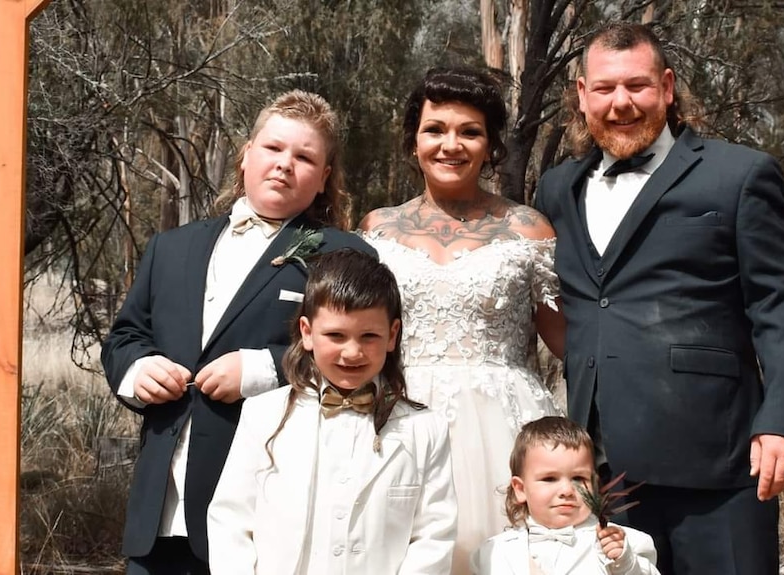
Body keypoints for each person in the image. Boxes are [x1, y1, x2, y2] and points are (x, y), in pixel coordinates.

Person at [534, 21, 784, 575]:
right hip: (603, 471)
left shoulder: (739, 175)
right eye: (607, 89)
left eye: (637, 86)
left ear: (666, 87)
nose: (622, 104)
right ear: (583, 96)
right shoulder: (556, 189)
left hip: (719, 460)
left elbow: (780, 305)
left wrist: (782, 420)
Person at [101, 90, 375, 574]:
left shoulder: (343, 255)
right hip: (158, 512)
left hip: (262, 506)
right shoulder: (171, 248)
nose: (284, 165)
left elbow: (356, 354)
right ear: (247, 154)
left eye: (304, 157)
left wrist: (261, 368)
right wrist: (137, 370)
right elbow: (125, 337)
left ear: (324, 178)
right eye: (272, 149)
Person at [358, 66, 567, 573]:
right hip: (400, 422)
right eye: (435, 130)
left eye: (469, 131)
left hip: (507, 429)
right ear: (413, 143)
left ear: (491, 145)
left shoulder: (528, 229)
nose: (451, 145)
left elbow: (571, 342)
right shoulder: (376, 229)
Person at [206, 248, 457, 574]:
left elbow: (434, 535)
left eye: (369, 336)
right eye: (335, 335)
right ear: (307, 333)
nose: (352, 352)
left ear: (392, 335)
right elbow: (231, 519)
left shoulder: (425, 428)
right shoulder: (263, 415)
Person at [471, 416, 660, 575]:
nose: (567, 491)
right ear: (520, 489)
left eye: (578, 478)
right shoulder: (494, 552)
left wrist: (626, 564)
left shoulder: (625, 544)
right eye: (549, 479)